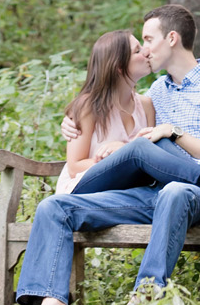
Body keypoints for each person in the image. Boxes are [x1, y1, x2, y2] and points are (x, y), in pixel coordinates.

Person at [13, 4, 200, 305]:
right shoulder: (157, 91)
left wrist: (172, 131)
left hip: (196, 197)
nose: (144, 49)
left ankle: (144, 301)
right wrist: (71, 119)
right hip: (149, 193)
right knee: (53, 207)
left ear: (171, 39)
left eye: (147, 39)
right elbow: (107, 99)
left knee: (169, 182)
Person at [56, 30, 156, 195]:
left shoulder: (146, 105)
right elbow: (75, 167)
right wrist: (123, 157)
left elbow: (149, 160)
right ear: (118, 66)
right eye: (137, 51)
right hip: (84, 194)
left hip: (129, 195)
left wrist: (125, 152)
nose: (146, 52)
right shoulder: (88, 106)